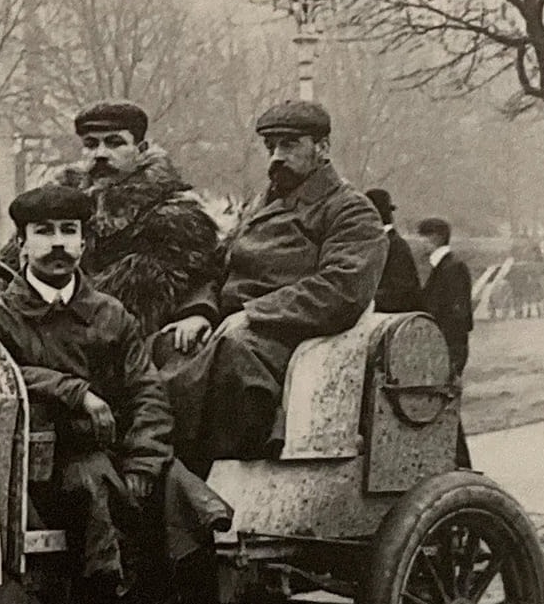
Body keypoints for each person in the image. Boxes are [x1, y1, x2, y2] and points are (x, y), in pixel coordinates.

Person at [0, 184, 262, 604]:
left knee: (181, 493)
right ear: (22, 245)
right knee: (96, 487)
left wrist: (148, 462)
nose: (58, 244)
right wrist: (73, 390)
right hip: (52, 462)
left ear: (83, 244)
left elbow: (147, 392)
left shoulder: (111, 313)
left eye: (69, 232)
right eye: (44, 233)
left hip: (120, 450)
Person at [158, 100, 387, 469]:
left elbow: (342, 289)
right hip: (232, 328)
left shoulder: (350, 210)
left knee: (230, 357)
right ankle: (157, 463)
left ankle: (184, 466)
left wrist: (254, 314)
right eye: (270, 147)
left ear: (323, 148)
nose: (276, 158)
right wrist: (199, 312)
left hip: (290, 338)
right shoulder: (261, 204)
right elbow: (218, 267)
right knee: (166, 344)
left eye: (289, 144)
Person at [6, 99, 221, 339]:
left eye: (114, 143)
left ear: (141, 149)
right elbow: (7, 268)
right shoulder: (56, 205)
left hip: (134, 342)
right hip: (42, 333)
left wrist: (197, 312)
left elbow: (204, 277)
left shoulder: (176, 217)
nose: (100, 154)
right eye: (90, 144)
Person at [414, 216, 474, 468]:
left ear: (435, 237)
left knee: (446, 407)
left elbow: (459, 318)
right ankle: (458, 464)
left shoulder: (452, 268)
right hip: (444, 349)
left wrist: (452, 360)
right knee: (445, 408)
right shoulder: (445, 268)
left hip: (447, 349)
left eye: (422, 237)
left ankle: (461, 465)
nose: (420, 243)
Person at [366, 187, 423, 314]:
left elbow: (404, 292)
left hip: (392, 320)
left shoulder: (396, 246)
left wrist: (367, 300)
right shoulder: (382, 242)